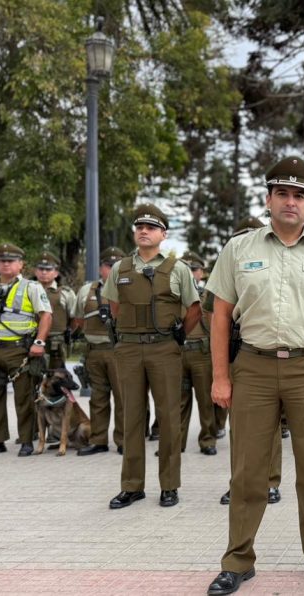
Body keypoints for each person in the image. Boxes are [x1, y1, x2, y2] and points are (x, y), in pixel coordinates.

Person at [206, 156, 304, 595]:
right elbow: (219, 317)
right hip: (251, 367)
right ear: (268, 199)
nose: (291, 202)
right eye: (283, 194)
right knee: (247, 472)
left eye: (300, 195)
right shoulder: (239, 249)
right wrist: (220, 376)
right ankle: (237, 560)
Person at [103, 204, 201, 509]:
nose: (143, 231)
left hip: (164, 348)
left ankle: (169, 485)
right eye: (139, 227)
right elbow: (115, 307)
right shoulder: (120, 269)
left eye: (151, 227)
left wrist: (177, 336)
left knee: (169, 417)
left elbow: (194, 307)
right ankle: (132, 486)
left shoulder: (178, 269)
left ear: (163, 234)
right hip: (129, 348)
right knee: (131, 415)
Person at [215, 216, 283, 507]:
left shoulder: (274, 266)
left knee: (271, 426)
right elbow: (215, 315)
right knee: (240, 427)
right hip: (239, 353)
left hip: (267, 352)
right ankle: (239, 482)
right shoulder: (231, 264)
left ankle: (270, 481)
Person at [0, 243, 52, 457]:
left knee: (24, 398)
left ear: (21, 265)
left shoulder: (31, 287)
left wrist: (39, 342)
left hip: (20, 351)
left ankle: (27, 441)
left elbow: (46, 315)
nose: (6, 264)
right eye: (2, 261)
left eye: (11, 261)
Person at [74, 247, 126, 455]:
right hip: (94, 351)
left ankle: (124, 440)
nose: (112, 269)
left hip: (119, 350)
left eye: (117, 266)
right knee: (98, 398)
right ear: (101, 268)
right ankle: (98, 440)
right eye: (108, 266)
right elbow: (78, 318)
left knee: (124, 398)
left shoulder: (131, 288)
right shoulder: (87, 291)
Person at [179, 250, 217, 456]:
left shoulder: (208, 294)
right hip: (180, 352)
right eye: (186, 270)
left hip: (202, 353)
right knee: (179, 402)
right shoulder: (175, 293)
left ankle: (208, 440)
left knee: (205, 400)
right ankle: (177, 442)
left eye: (194, 270)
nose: (191, 273)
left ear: (201, 273)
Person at [33, 252, 77, 370]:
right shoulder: (26, 292)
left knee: (56, 380)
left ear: (56, 273)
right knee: (30, 379)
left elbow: (75, 319)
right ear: (35, 271)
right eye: (41, 269)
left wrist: (67, 335)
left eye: (48, 269)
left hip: (56, 344)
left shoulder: (66, 293)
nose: (44, 272)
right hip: (30, 341)